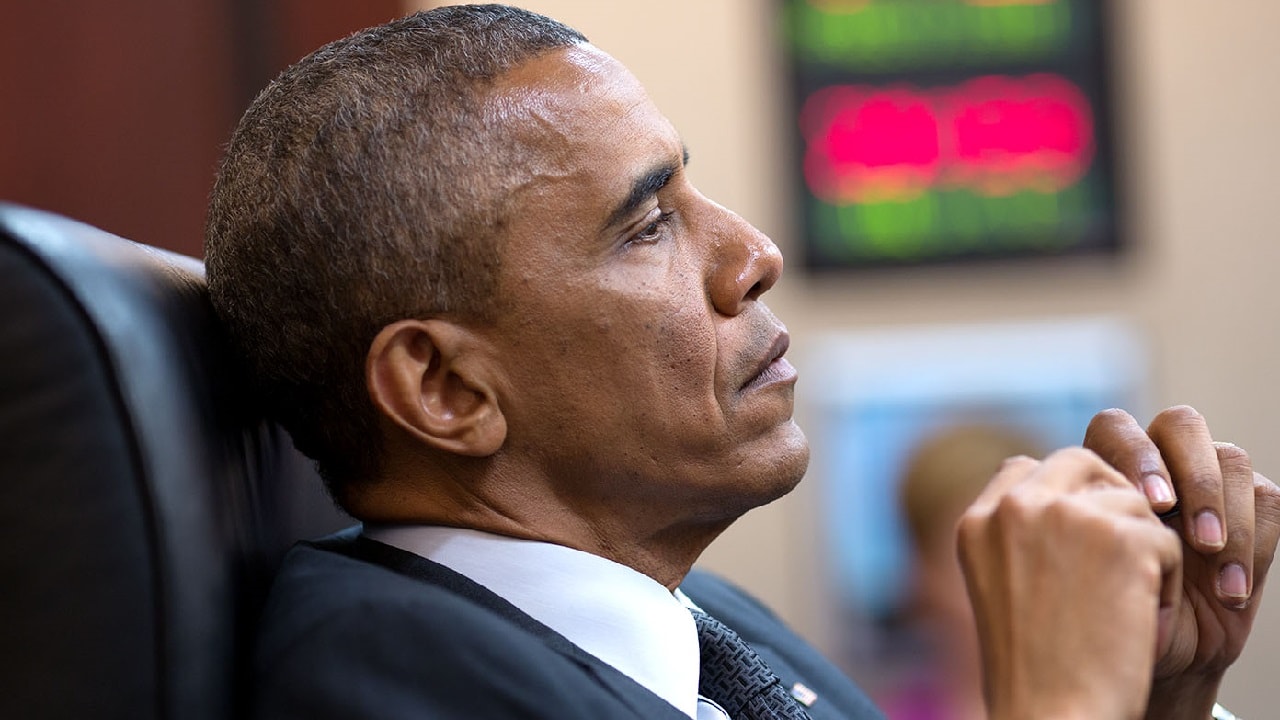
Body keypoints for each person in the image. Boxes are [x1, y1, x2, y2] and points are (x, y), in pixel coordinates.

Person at [204, 5, 1280, 719]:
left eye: (690, 192)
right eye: (645, 227)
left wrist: (1155, 699)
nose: (752, 255)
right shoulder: (379, 682)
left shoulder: (705, 626)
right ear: (445, 389)